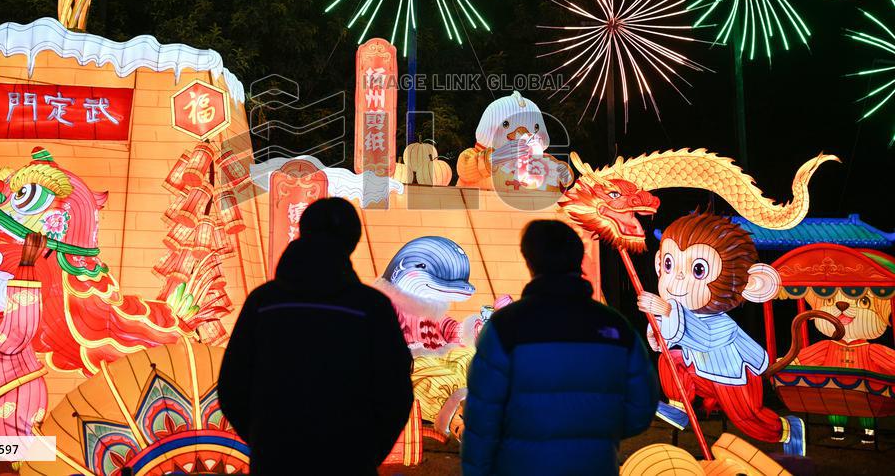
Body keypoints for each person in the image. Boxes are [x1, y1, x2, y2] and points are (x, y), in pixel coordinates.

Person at [218, 197, 414, 475]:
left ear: (303, 230)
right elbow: (395, 392)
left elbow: (232, 386)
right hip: (348, 461)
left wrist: (264, 438)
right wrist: (367, 451)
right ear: (353, 241)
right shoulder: (370, 307)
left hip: (274, 460)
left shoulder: (263, 303)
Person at [461, 220, 659, 476]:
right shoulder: (615, 327)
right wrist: (598, 433)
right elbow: (641, 407)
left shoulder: (505, 327)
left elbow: (482, 419)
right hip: (595, 465)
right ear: (578, 259)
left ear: (530, 261)